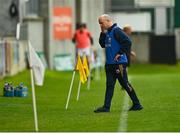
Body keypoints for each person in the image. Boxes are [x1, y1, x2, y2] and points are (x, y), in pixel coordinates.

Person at [94, 14, 143, 113]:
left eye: (101, 23)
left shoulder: (117, 31)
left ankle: (137, 104)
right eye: (99, 23)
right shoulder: (107, 32)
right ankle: (106, 107)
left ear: (108, 21)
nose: (100, 25)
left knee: (125, 83)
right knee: (109, 85)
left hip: (119, 64)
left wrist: (120, 53)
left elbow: (127, 42)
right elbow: (102, 44)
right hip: (109, 64)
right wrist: (102, 33)